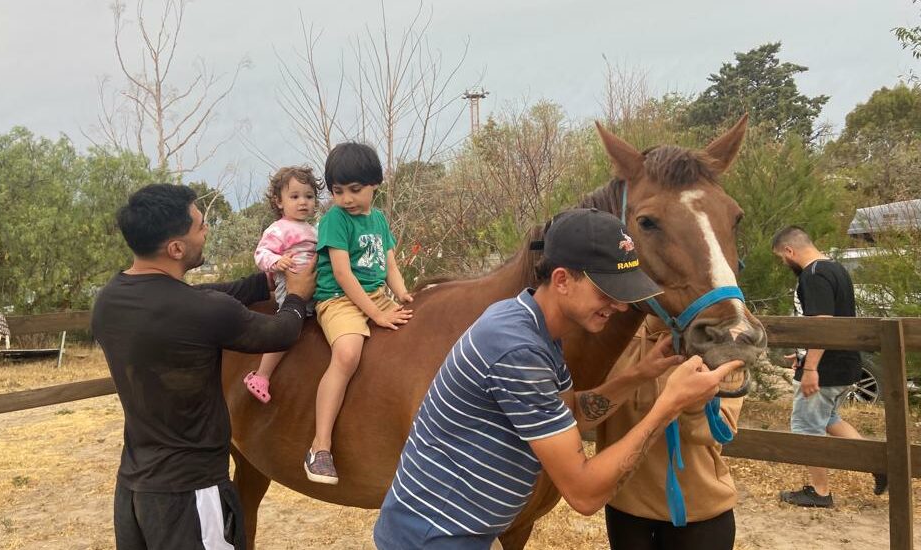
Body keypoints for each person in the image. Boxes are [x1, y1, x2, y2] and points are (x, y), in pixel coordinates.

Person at [373, 208, 743, 549]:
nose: (618, 306)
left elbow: (572, 414)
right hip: (433, 538)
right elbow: (583, 494)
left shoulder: (534, 326)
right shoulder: (517, 350)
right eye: (608, 292)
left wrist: (638, 375)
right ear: (563, 279)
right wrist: (669, 404)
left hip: (456, 532)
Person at [91, 183, 315, 550]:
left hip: (134, 488)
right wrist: (295, 296)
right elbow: (281, 333)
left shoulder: (109, 300)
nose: (206, 230)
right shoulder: (200, 310)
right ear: (176, 248)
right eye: (200, 226)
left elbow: (204, 298)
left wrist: (270, 279)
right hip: (192, 495)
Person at [305, 141, 414, 485]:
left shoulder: (379, 219)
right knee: (348, 354)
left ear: (375, 185)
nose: (346, 199)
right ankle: (320, 446)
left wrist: (405, 295)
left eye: (355, 190)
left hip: (376, 295)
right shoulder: (335, 219)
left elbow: (391, 265)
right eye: (338, 191)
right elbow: (342, 273)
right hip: (339, 299)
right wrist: (377, 314)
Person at [597, 320, 743, 550]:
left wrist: (692, 401)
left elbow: (718, 431)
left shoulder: (722, 341)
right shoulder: (612, 330)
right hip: (625, 508)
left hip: (699, 511)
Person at [771, 225, 887, 508]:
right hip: (844, 362)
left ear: (789, 250)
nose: (783, 263)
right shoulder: (836, 270)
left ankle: (820, 492)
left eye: (780, 257)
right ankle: (879, 464)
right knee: (830, 419)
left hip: (825, 369)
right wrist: (802, 356)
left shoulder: (813, 275)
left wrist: (811, 369)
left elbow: (822, 324)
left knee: (806, 426)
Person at [244, 166, 321, 403]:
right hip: (290, 289)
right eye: (295, 196)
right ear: (279, 202)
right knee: (286, 332)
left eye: (309, 196)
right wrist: (277, 261)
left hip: (314, 287)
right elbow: (261, 254)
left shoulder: (313, 230)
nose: (303, 202)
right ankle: (261, 375)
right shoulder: (278, 229)